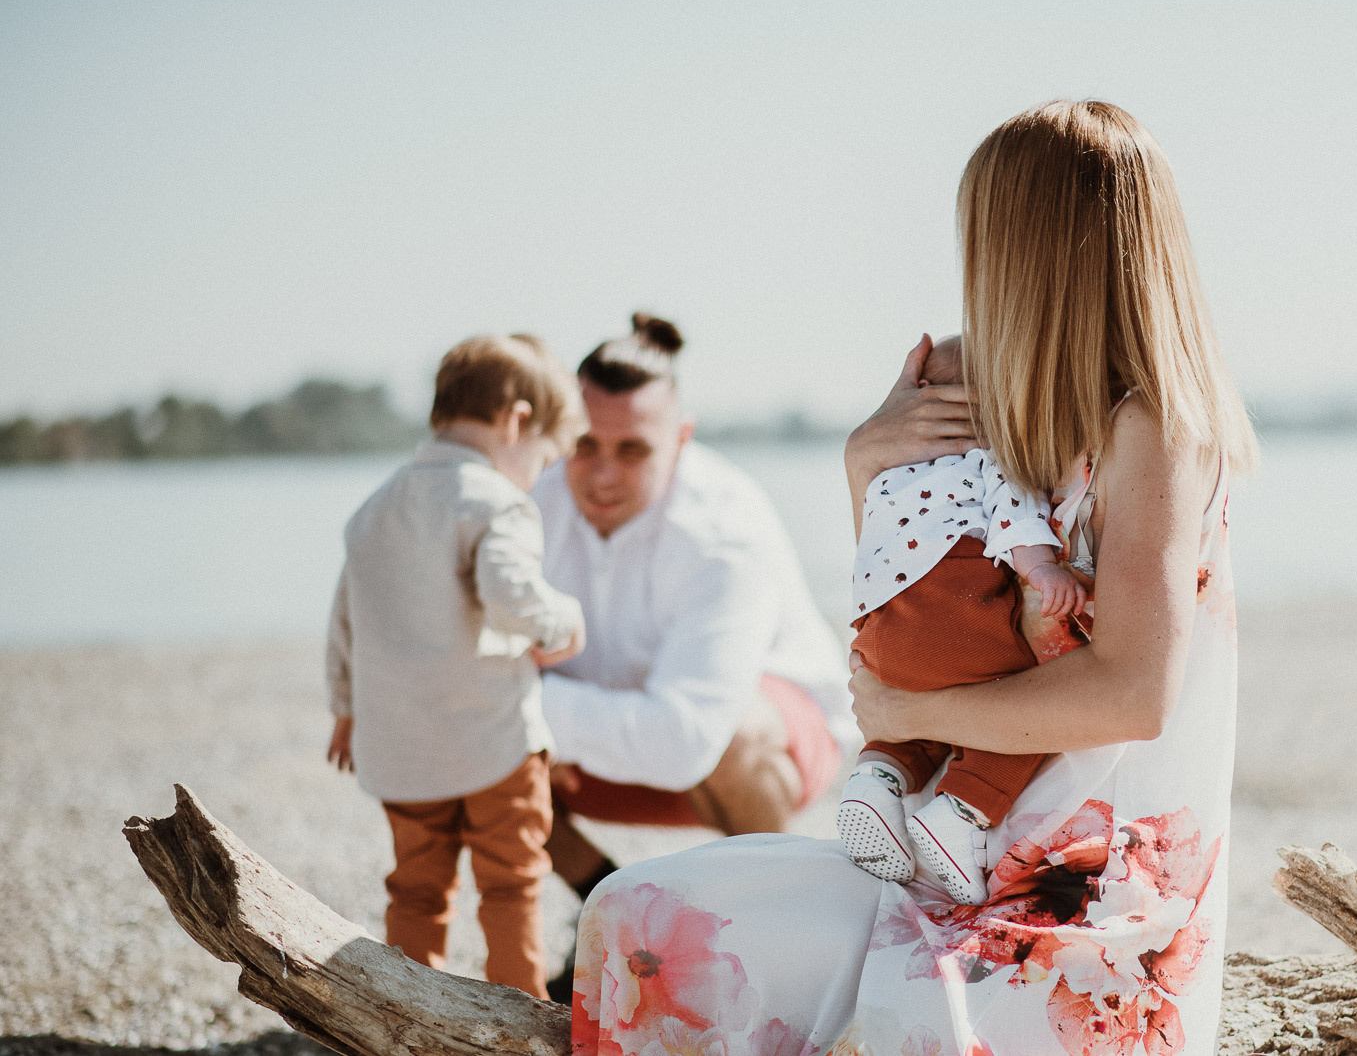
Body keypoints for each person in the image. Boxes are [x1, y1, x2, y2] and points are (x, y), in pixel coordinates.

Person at [569, 99, 1258, 1056]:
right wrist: (866, 468)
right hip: (945, 832)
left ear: (1035, 246)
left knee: (889, 1022)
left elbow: (1133, 694)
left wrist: (899, 717)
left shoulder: (1158, 430)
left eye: (985, 229)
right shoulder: (974, 379)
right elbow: (909, 614)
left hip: (1090, 886)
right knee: (633, 911)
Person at [528, 314, 855, 989]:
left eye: (634, 450)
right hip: (611, 751)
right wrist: (521, 725)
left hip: (761, 752)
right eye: (585, 445)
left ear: (680, 438)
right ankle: (610, 903)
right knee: (460, 743)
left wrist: (531, 713)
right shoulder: (528, 507)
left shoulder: (725, 524)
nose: (604, 474)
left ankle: (780, 936)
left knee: (728, 731)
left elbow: (687, 742)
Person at [325, 333, 587, 999]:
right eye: (546, 457)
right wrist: (562, 622)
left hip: (404, 747)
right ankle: (521, 1018)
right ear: (516, 420)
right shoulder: (497, 501)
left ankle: (409, 1016)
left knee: (416, 889)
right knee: (511, 888)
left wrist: (345, 708)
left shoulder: (373, 509)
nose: (540, 473)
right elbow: (508, 591)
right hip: (493, 740)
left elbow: (344, 620)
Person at [839, 336, 1088, 904]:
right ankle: (960, 813)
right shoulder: (990, 454)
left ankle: (874, 783)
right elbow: (1014, 517)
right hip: (950, 618)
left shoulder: (889, 471)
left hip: (878, 628)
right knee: (1025, 707)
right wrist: (1046, 571)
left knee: (924, 710)